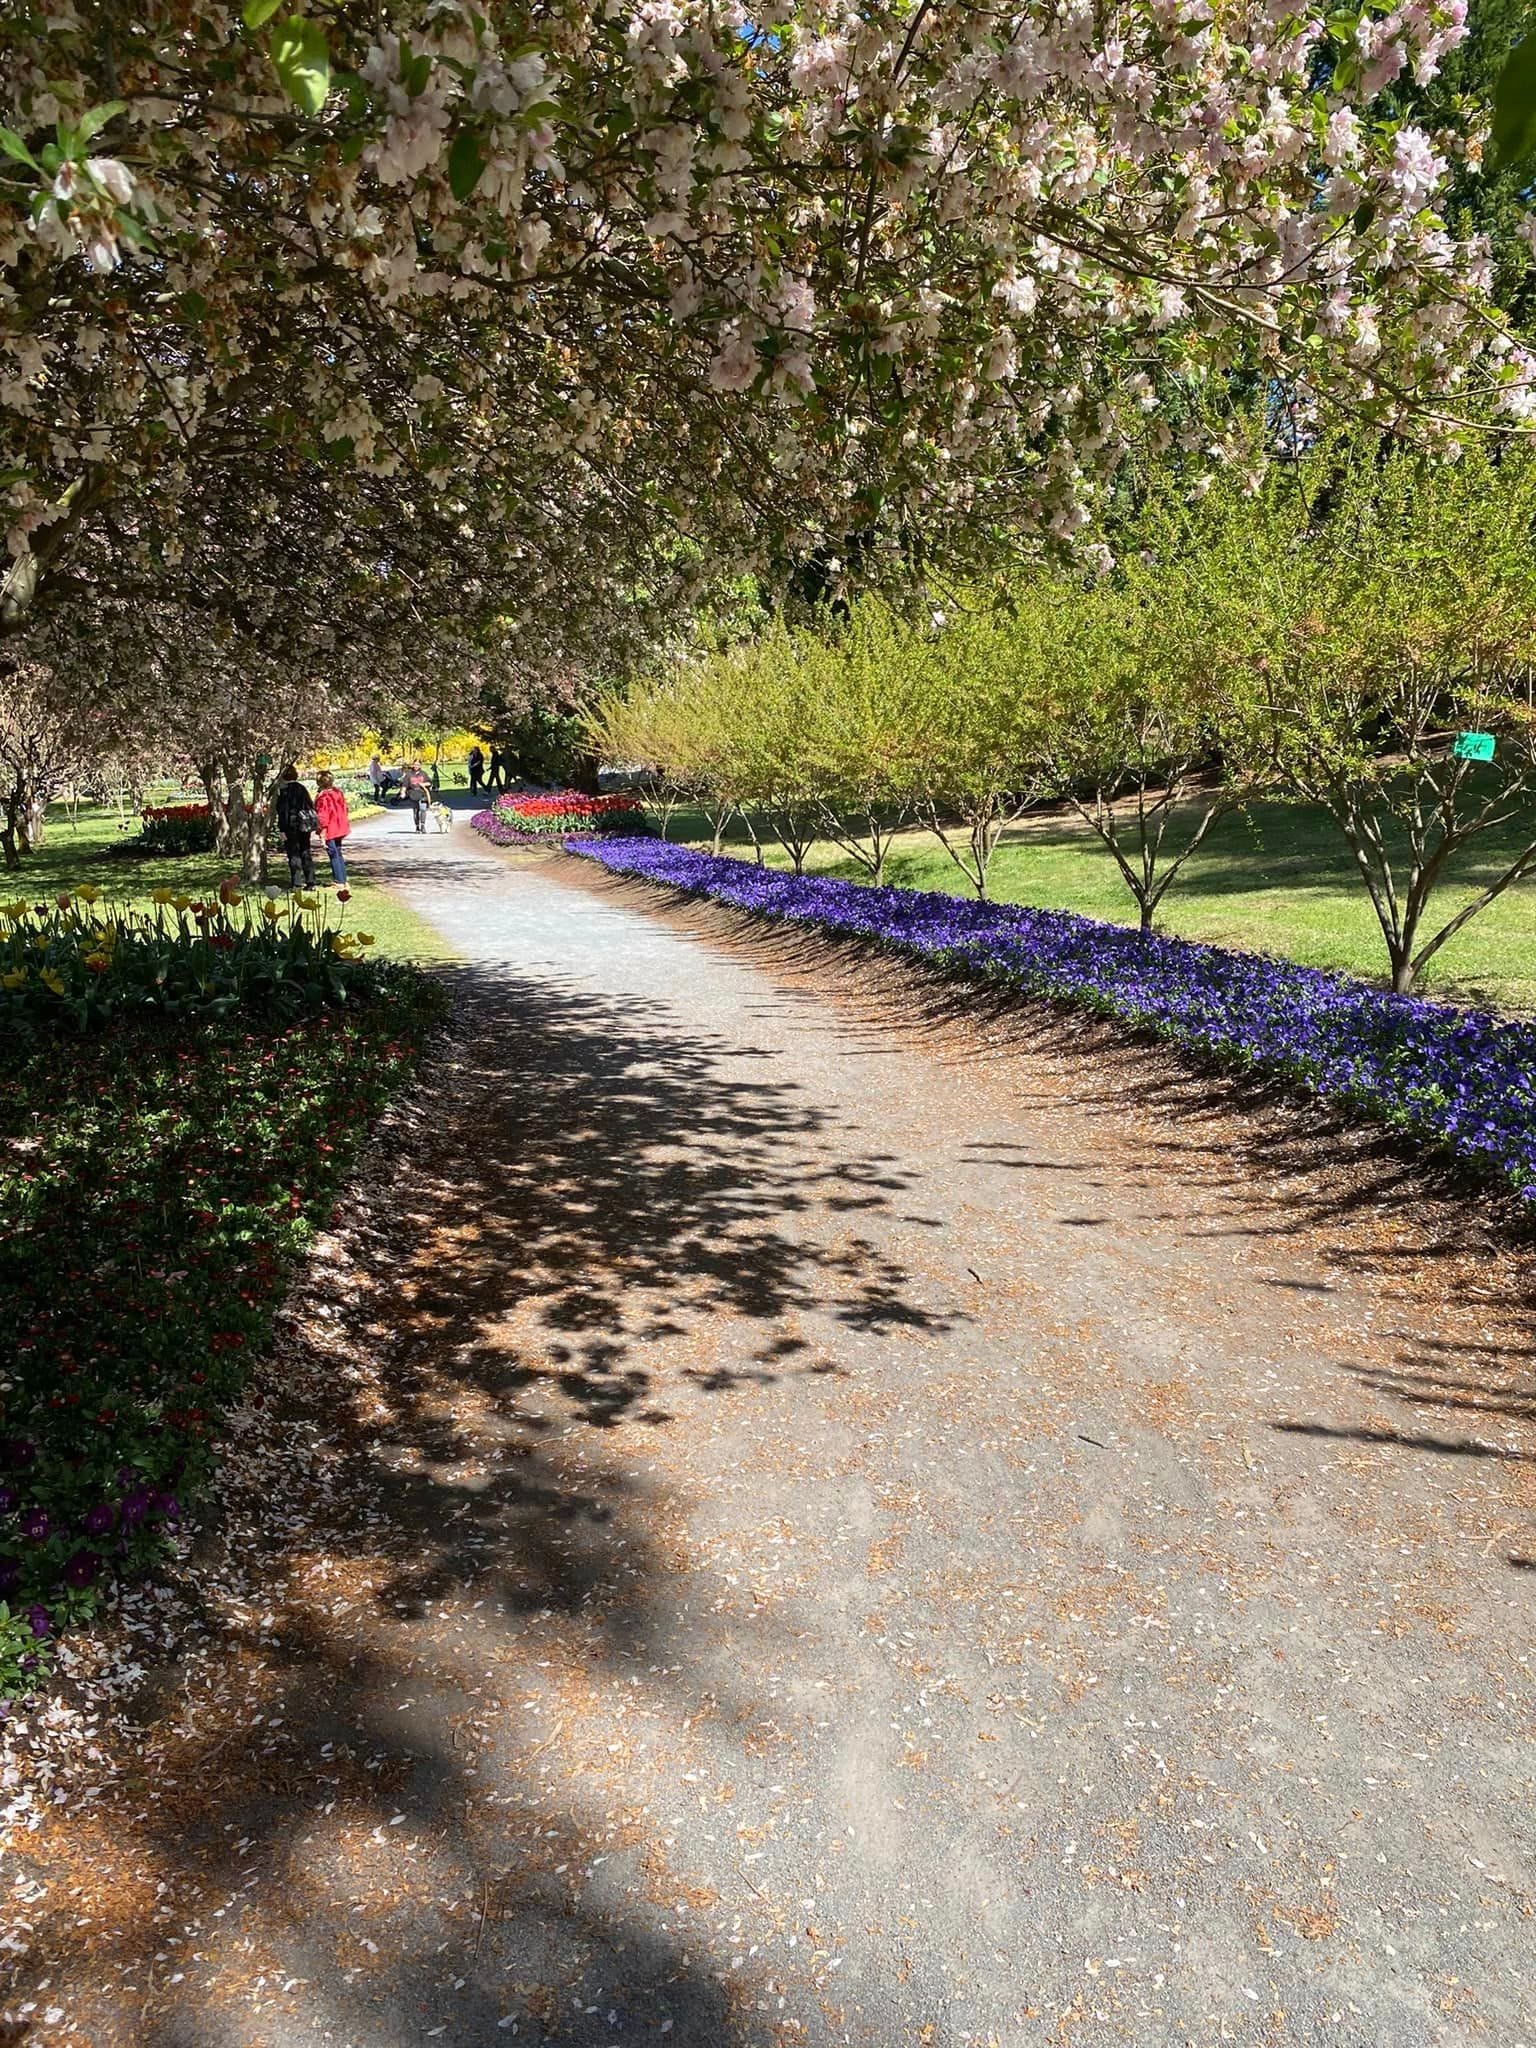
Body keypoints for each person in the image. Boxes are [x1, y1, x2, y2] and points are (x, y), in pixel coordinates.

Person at [273, 763, 317, 888]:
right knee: (305, 851)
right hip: (304, 825)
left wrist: (282, 829)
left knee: (293, 853)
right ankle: (310, 881)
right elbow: (310, 805)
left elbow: (283, 811)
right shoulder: (301, 788)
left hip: (290, 826)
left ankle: (297, 882)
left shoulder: (284, 791)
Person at [314, 770, 351, 885]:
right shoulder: (337, 792)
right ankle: (343, 879)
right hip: (340, 826)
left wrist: (322, 832)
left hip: (331, 829)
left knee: (333, 853)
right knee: (338, 852)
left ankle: (339, 881)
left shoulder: (324, 797)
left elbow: (323, 817)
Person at [403, 760, 432, 834]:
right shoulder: (409, 774)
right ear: (413, 765)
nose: (416, 766)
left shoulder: (423, 774)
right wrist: (402, 792)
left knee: (423, 809)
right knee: (416, 811)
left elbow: (429, 783)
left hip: (422, 793)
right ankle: (417, 827)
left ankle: (423, 826)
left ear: (420, 765)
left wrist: (423, 784)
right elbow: (405, 785)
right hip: (413, 794)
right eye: (415, 764)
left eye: (418, 764)